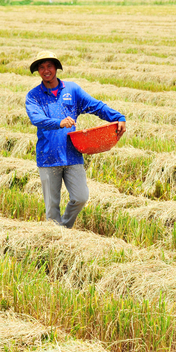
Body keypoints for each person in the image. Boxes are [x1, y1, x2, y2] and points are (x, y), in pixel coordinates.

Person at [25, 51, 126, 228]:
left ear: (56, 67)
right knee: (52, 208)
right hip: (48, 157)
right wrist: (59, 122)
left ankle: (64, 228)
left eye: (49, 66)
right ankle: (55, 239)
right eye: (41, 67)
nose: (46, 70)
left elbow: (96, 106)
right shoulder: (33, 96)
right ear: (38, 71)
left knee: (80, 197)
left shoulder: (72, 90)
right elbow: (36, 119)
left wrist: (118, 117)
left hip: (72, 154)